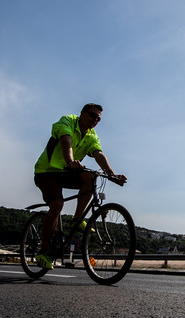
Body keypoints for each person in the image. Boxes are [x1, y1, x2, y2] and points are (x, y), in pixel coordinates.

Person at [33, 103, 126, 270]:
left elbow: (98, 154)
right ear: (82, 113)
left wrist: (112, 174)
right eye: (92, 115)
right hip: (46, 172)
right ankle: (43, 251)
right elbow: (65, 141)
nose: (95, 120)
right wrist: (70, 161)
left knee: (91, 178)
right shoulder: (68, 121)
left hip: (66, 172)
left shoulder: (91, 135)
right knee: (57, 205)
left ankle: (77, 220)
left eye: (98, 118)